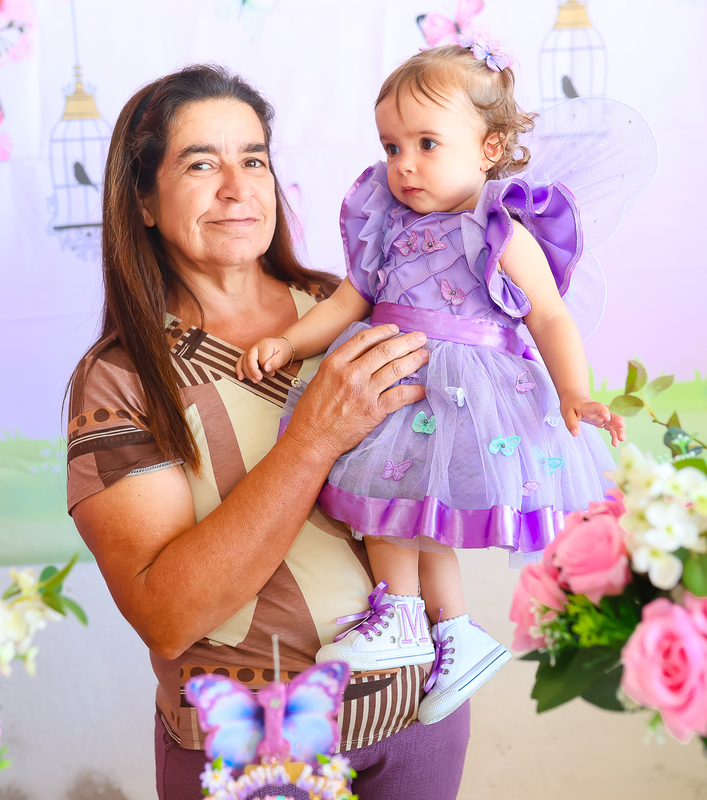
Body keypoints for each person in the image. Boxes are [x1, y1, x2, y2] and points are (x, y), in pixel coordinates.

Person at [66, 64, 471, 800]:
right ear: (143, 200)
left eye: (253, 159)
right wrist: (313, 439)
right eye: (200, 164)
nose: (237, 188)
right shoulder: (120, 380)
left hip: (416, 722)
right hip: (252, 750)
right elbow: (166, 617)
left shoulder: (351, 306)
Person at [236, 41, 626, 726]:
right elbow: (348, 301)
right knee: (416, 509)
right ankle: (453, 633)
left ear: (489, 148)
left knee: (397, 498)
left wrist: (573, 390)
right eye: (391, 147)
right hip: (391, 374)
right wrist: (291, 342)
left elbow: (549, 315)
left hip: (460, 388)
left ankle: (401, 617)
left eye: (426, 144)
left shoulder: (501, 230)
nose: (404, 164)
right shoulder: (388, 224)